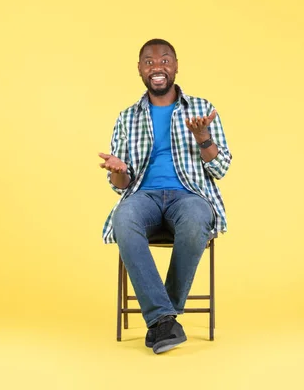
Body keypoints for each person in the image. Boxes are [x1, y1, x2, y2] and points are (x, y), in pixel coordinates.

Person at [98, 39, 232, 354]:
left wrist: (204, 139)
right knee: (123, 217)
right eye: (148, 62)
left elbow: (221, 166)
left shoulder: (202, 110)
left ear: (175, 66)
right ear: (140, 70)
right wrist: (118, 169)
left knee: (198, 218)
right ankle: (165, 320)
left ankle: (161, 319)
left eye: (164, 60)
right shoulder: (127, 117)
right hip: (143, 196)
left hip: (189, 196)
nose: (157, 67)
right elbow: (120, 185)